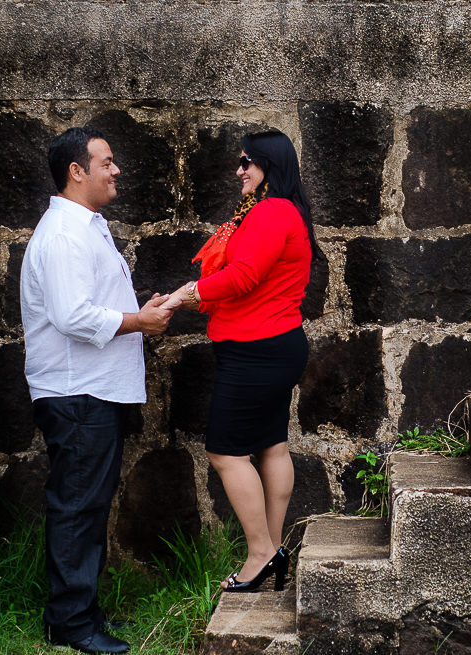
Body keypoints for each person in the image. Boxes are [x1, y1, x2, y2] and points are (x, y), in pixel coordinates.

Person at [21, 127, 174, 654]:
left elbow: (92, 304)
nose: (116, 170)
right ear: (76, 171)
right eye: (106, 162)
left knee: (86, 504)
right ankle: (71, 623)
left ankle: (79, 613)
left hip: (90, 390)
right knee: (78, 506)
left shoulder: (86, 227)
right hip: (77, 392)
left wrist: (141, 313)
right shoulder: (65, 233)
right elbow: (72, 316)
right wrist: (139, 321)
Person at [164, 129, 323, 592]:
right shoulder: (280, 210)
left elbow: (243, 276)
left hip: (259, 350)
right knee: (271, 445)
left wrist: (184, 294)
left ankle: (260, 555)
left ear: (269, 165)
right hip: (270, 346)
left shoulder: (272, 211)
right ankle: (271, 552)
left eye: (246, 162)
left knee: (225, 450)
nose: (239, 170)